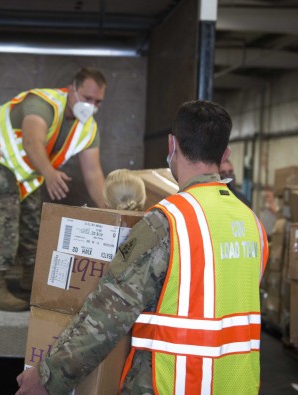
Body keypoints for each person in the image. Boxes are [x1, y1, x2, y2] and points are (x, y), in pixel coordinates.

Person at [15, 100, 269, 394]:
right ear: (225, 153)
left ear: (172, 145)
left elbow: (109, 312)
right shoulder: (253, 224)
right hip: (236, 385)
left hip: (173, 382)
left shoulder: (168, 221)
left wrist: (48, 379)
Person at [0, 67, 107, 312]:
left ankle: (31, 278)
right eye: (87, 98)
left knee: (32, 213)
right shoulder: (44, 104)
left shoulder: (88, 129)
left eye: (98, 102)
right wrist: (50, 174)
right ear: (72, 89)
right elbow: (32, 141)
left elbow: (93, 174)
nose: (91, 106)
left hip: (21, 167)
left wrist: (112, 211)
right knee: (5, 205)